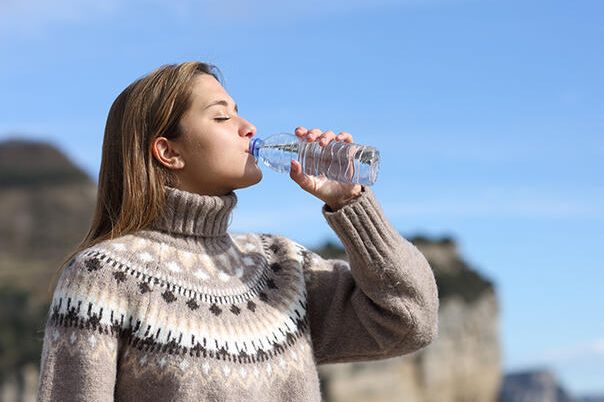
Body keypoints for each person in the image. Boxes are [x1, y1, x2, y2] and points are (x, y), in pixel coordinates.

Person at [36, 61, 439, 402]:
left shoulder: (280, 265)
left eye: (239, 112)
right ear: (168, 152)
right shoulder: (102, 276)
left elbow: (411, 320)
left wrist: (349, 202)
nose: (248, 127)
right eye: (222, 116)